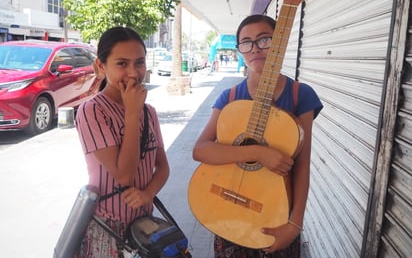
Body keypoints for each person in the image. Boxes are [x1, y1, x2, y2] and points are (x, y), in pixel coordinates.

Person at [192, 14, 323, 257]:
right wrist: (256, 152)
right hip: (226, 212)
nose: (255, 49)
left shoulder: (299, 95)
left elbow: (302, 166)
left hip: (275, 212)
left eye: (265, 40)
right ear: (239, 49)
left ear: (280, 42)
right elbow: (200, 150)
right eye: (246, 43)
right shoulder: (229, 98)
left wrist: (294, 225)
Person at [75, 26, 170, 257]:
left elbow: (163, 166)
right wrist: (132, 113)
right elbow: (124, 175)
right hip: (107, 227)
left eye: (139, 62)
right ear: (101, 66)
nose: (133, 73)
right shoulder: (92, 111)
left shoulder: (149, 112)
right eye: (121, 64)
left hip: (143, 226)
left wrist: (148, 194)